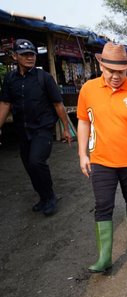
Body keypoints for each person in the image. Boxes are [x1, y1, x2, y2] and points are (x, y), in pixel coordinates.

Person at [76, 42, 127, 273]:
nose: (116, 76)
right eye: (111, 71)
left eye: (121, 71)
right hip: (101, 159)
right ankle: (104, 257)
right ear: (101, 66)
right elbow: (83, 122)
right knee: (103, 205)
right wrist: (82, 154)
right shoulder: (88, 89)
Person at [0, 39, 73, 216]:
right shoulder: (10, 79)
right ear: (15, 56)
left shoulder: (44, 78)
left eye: (32, 54)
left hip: (42, 129)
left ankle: (50, 197)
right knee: (29, 166)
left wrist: (66, 128)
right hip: (22, 130)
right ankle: (42, 197)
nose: (30, 57)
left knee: (36, 161)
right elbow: (5, 103)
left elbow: (58, 105)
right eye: (25, 54)